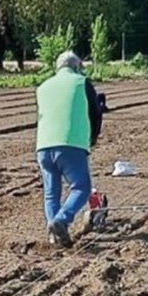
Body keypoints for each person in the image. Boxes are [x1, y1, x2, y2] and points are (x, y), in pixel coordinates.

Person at [35, 51, 103, 247]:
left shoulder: (43, 87)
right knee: (81, 188)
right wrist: (93, 137)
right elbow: (95, 112)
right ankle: (62, 220)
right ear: (77, 67)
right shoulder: (82, 83)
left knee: (51, 193)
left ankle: (53, 235)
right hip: (71, 144)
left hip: (44, 146)